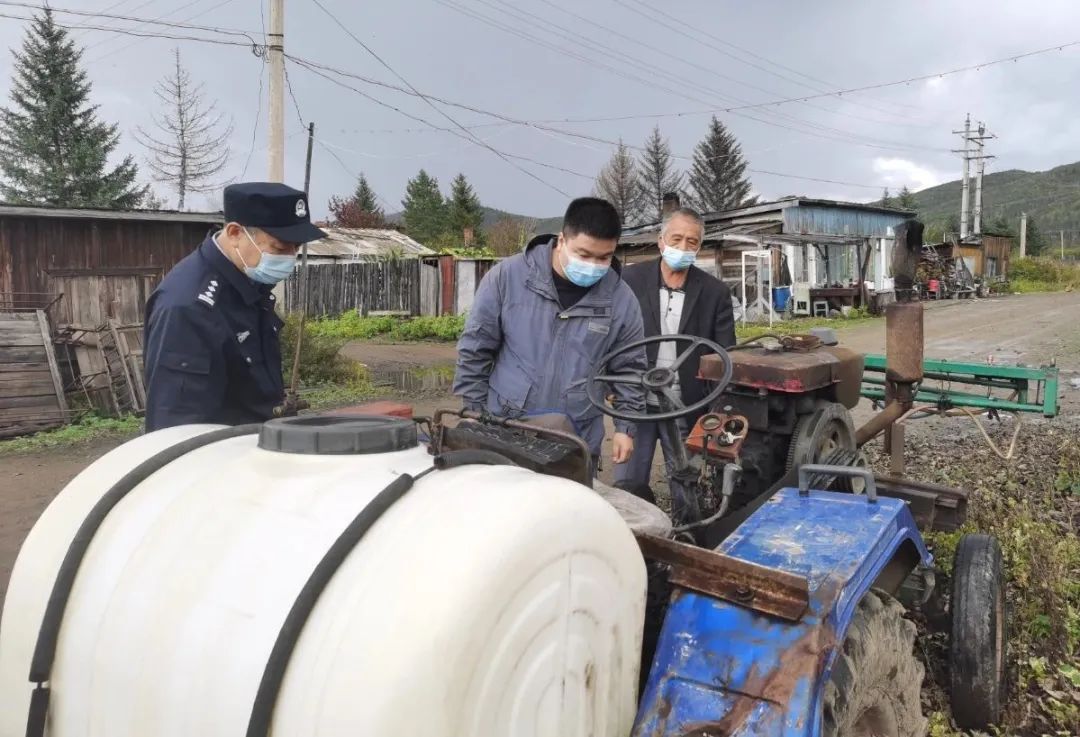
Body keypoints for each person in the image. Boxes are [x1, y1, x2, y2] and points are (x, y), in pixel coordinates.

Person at [453, 197, 647, 473]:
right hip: (506, 429)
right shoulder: (508, 278)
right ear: (561, 240)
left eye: (603, 257)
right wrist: (472, 412)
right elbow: (475, 350)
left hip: (575, 437)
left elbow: (629, 368)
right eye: (583, 254)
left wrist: (625, 428)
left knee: (566, 513)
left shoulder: (620, 299)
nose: (593, 265)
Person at [143, 182, 327, 431]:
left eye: (296, 248)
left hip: (256, 450)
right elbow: (176, 427)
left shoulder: (249, 284)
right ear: (235, 234)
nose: (289, 257)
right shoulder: (189, 308)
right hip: (219, 459)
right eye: (280, 247)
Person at [615, 206, 736, 518]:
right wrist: (611, 384)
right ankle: (633, 545)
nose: (683, 248)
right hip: (636, 402)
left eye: (692, 242)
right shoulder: (630, 281)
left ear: (699, 247)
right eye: (677, 239)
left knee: (686, 485)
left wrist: (716, 411)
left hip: (685, 405)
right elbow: (610, 337)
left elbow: (725, 356)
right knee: (627, 487)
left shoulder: (714, 293)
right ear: (660, 241)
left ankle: (687, 542)